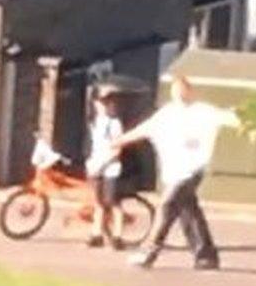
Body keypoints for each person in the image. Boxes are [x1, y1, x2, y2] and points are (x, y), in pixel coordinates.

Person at [109, 74, 240, 271]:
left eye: (183, 89)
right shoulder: (166, 114)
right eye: (176, 90)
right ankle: (206, 256)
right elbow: (143, 130)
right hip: (172, 173)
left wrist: (249, 118)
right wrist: (119, 141)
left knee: (166, 206)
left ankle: (148, 252)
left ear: (190, 91)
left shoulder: (203, 112)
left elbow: (231, 119)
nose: (179, 94)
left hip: (192, 170)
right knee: (189, 212)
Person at [82, 89, 127, 249]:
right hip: (96, 166)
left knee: (113, 202)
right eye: (100, 102)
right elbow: (93, 145)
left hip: (111, 168)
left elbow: (117, 148)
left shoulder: (114, 123)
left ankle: (117, 236)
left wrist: (102, 163)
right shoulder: (94, 123)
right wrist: (91, 163)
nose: (102, 105)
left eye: (105, 102)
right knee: (98, 202)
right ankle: (96, 234)